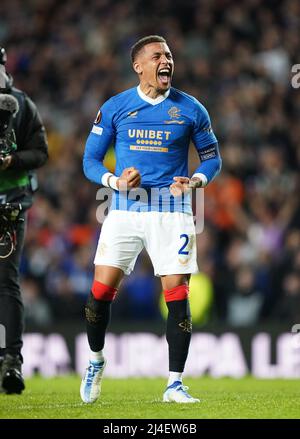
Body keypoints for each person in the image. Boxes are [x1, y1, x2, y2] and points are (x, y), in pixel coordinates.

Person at [81, 35, 221, 403]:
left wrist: (195, 180)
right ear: (138, 66)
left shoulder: (191, 109)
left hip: (173, 212)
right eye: (157, 56)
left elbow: (212, 158)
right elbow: (90, 161)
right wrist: (113, 180)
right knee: (99, 294)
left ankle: (174, 383)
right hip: (126, 209)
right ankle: (96, 360)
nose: (167, 61)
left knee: (177, 295)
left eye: (170, 55)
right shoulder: (115, 107)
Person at [0, 47, 48, 394]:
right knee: (6, 282)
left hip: (10, 202)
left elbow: (40, 153)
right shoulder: (21, 101)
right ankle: (10, 360)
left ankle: (10, 361)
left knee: (5, 281)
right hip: (13, 199)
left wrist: (11, 160)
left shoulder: (21, 103)